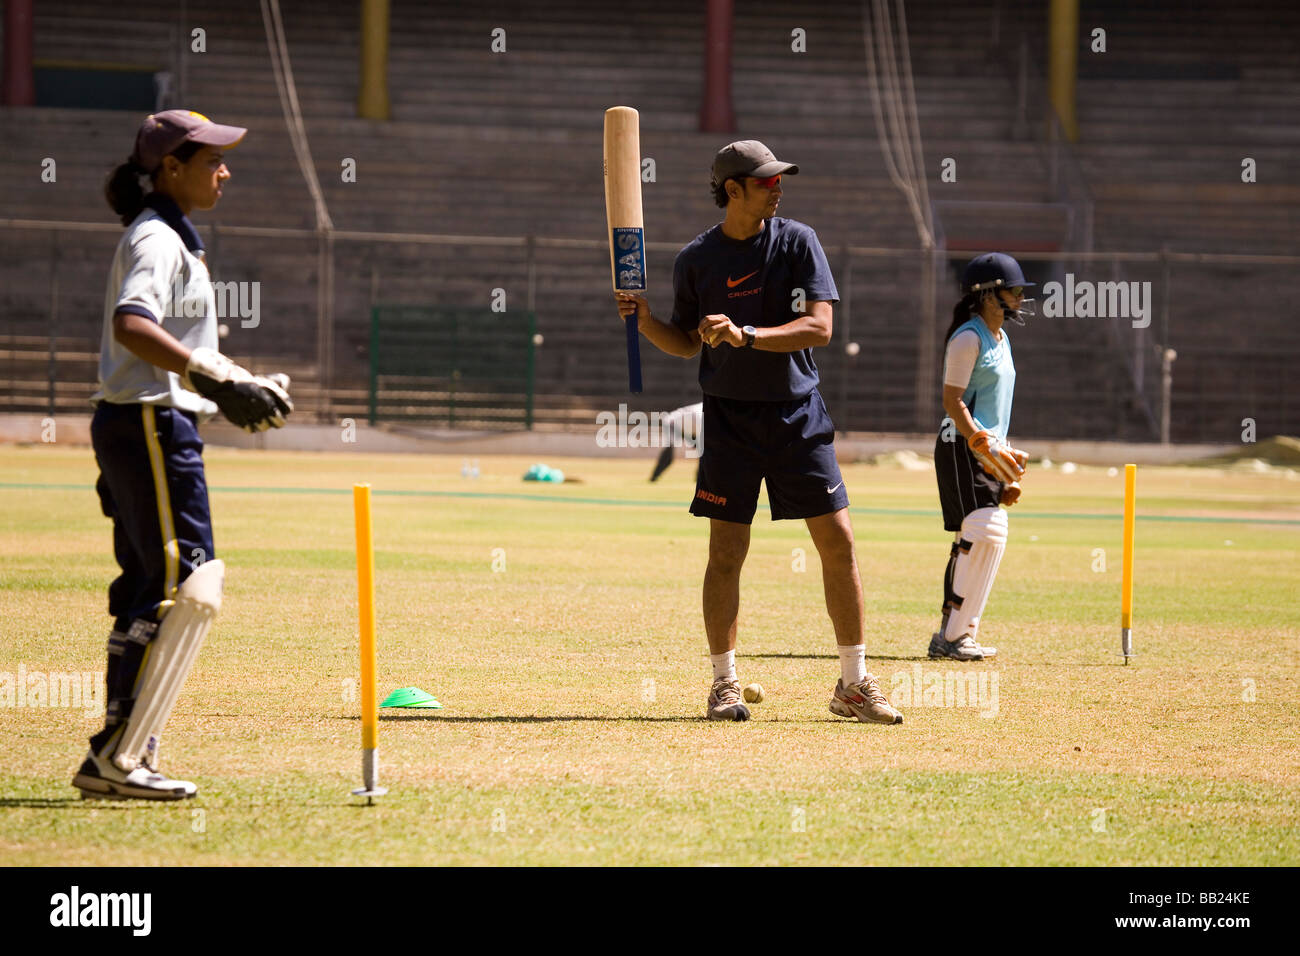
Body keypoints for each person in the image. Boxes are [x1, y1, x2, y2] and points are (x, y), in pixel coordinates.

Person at [616, 140, 902, 725]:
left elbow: (819, 328)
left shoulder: (799, 241)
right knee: (726, 552)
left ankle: (853, 683)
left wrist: (746, 333)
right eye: (766, 181)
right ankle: (723, 684)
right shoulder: (696, 259)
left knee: (839, 543)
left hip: (798, 416)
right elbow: (687, 340)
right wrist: (646, 324)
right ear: (733, 190)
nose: (778, 188)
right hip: (729, 420)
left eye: (778, 180)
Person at [73, 110, 294, 800]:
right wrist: (204, 377)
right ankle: (121, 756)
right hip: (148, 425)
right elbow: (133, 326)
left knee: (153, 588)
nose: (225, 171)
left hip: (151, 424)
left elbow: (178, 344)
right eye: (212, 161)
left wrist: (236, 379)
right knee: (184, 586)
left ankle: (119, 753)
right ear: (171, 167)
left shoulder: (175, 239)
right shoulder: (156, 239)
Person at [930, 252, 1033, 662]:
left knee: (983, 535)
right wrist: (980, 443)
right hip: (961, 443)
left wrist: (1003, 471)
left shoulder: (1002, 339)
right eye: (1014, 290)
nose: (1021, 298)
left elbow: (996, 408)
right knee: (983, 531)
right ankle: (952, 636)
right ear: (988, 295)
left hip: (987, 449)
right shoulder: (968, 337)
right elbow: (952, 399)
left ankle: (958, 634)